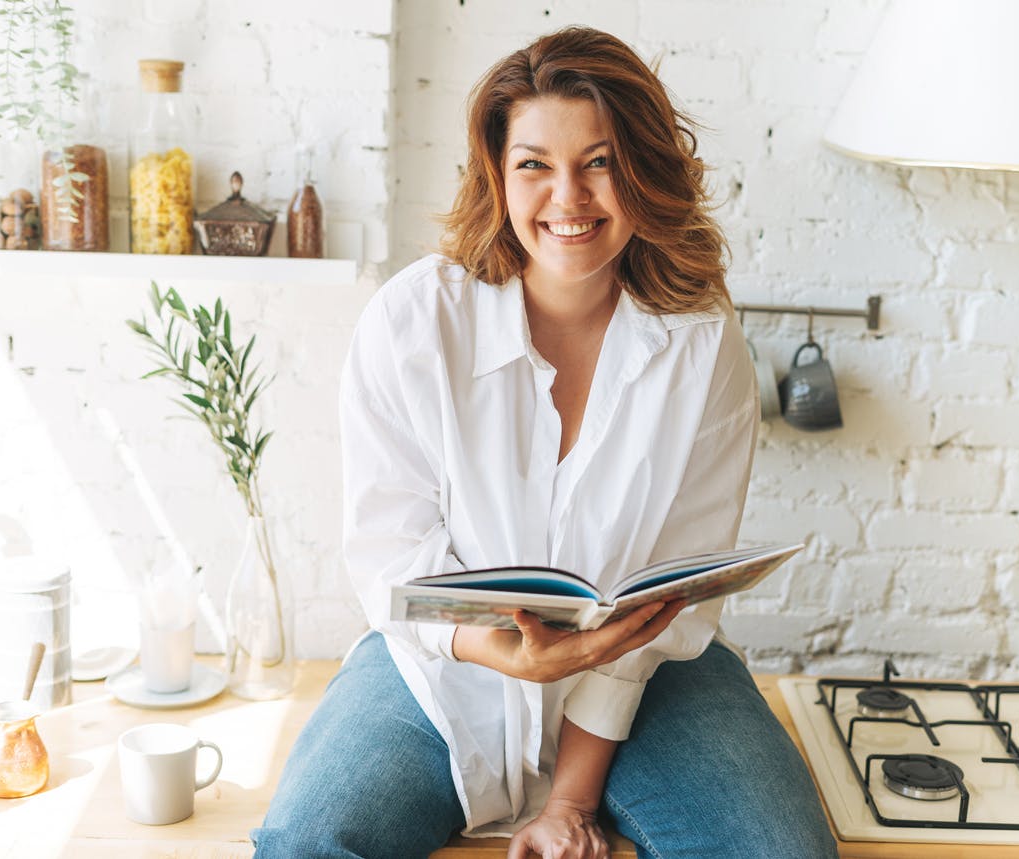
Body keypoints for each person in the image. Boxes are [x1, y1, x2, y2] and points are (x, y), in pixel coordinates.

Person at [252, 26, 837, 859]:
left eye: (599, 161)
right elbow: (389, 554)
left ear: (643, 168)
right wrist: (495, 650)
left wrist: (569, 799)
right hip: (443, 666)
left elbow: (676, 590)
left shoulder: (704, 342)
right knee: (307, 842)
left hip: (647, 663)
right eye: (534, 164)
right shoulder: (414, 321)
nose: (569, 197)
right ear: (497, 172)